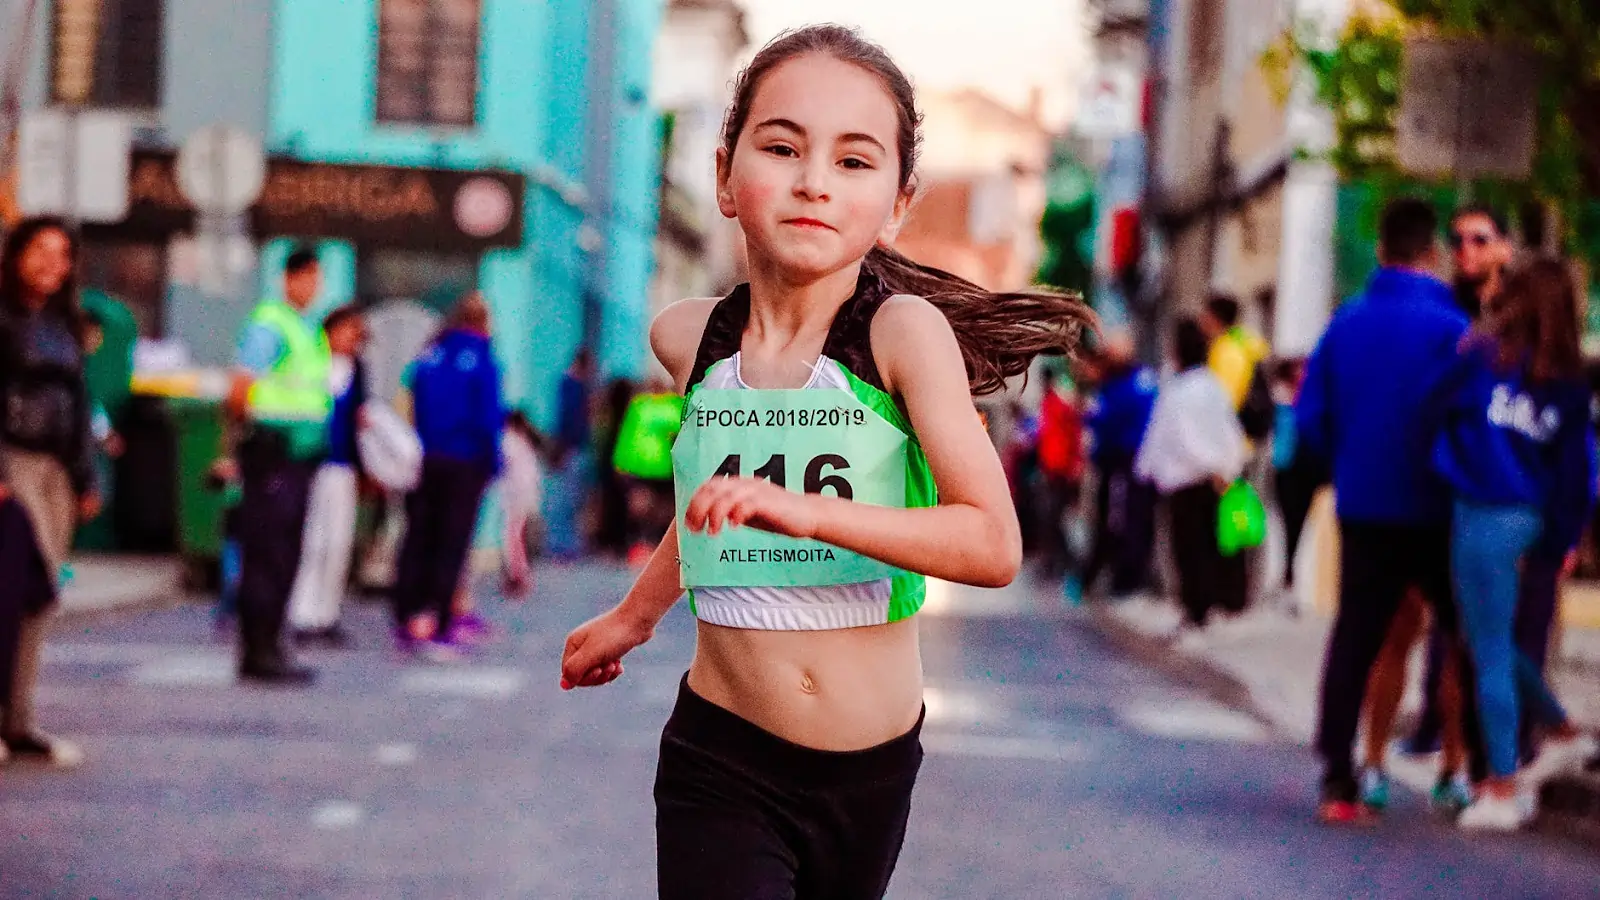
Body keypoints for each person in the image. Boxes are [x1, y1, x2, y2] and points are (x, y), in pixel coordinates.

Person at [557, 25, 1091, 899]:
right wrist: (635, 616)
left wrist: (809, 512)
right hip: (720, 755)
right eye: (781, 148)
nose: (814, 181)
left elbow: (991, 544)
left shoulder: (902, 335)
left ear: (897, 201)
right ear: (725, 175)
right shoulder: (690, 339)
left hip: (868, 775)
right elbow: (710, 504)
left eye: (853, 161)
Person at [1296, 197, 1487, 825]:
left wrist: (1348, 461)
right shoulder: (1454, 328)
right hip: (1438, 505)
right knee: (1463, 636)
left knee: (1357, 636)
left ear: (1380, 250)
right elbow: (1473, 415)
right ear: (1431, 253)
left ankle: (1339, 775)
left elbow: (1311, 419)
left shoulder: (1344, 324)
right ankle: (1468, 772)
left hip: (1365, 504)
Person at [1430, 258, 1598, 830]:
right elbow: (1574, 472)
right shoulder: (1569, 381)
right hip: (1529, 515)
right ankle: (1562, 730)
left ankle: (1501, 786)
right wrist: (1558, 541)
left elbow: (1432, 405)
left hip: (1479, 509)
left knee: (1489, 652)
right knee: (1490, 639)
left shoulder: (1480, 356)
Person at [0, 216, 95, 765]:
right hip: (13, 460)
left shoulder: (64, 324)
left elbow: (80, 403)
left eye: (62, 254)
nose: (51, 264)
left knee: (42, 594)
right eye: (40, 250)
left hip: (58, 469)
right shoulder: (4, 319)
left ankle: (19, 719)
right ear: (16, 254)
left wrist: (85, 477)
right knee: (11, 588)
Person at [227, 246, 333, 685]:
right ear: (290, 278)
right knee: (267, 554)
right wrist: (240, 443)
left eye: (318, 279)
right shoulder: (271, 324)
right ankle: (257, 650)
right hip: (272, 451)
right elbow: (240, 387)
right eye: (309, 277)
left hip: (299, 454)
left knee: (286, 553)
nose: (314, 287)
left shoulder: (306, 327)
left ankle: (272, 644)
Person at [393, 293, 505, 661]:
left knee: (418, 537)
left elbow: (410, 401)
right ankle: (437, 621)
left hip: (427, 459)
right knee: (451, 543)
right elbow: (488, 416)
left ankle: (408, 614)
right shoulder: (482, 358)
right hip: (465, 461)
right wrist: (493, 463)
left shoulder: (430, 354)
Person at [1134, 318, 1248, 639]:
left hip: (1185, 481)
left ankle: (1196, 611)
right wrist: (1226, 469)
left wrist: (1145, 470)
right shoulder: (1213, 386)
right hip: (1214, 481)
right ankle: (1207, 608)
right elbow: (1230, 433)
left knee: (1188, 550)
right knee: (1210, 546)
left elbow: (1174, 437)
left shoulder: (1179, 391)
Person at [288, 305, 369, 647]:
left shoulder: (358, 370)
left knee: (338, 543)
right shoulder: (313, 364)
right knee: (313, 541)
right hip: (314, 463)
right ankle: (302, 613)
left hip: (343, 464)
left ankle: (327, 613)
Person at [1081, 330, 1158, 598]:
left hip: (1126, 461)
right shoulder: (1129, 383)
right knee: (1122, 520)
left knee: (1124, 520)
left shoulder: (1127, 386)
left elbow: (1107, 420)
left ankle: (1126, 579)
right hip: (1122, 461)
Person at [1268, 357, 1323, 605]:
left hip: (1306, 470)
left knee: (1299, 527)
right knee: (1286, 524)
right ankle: (1285, 578)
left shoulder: (1311, 402)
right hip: (1286, 468)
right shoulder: (1282, 401)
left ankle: (1291, 579)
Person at [1034, 366, 1086, 584]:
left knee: (1056, 517)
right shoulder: (1047, 404)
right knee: (1050, 517)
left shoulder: (1061, 405)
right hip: (1051, 470)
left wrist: (1075, 464)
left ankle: (1063, 562)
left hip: (1062, 471)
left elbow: (1073, 434)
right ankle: (1053, 561)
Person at [546, 348, 595, 560]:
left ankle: (563, 544)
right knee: (566, 499)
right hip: (571, 447)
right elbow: (568, 419)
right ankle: (561, 544)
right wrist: (562, 447)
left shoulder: (574, 386)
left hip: (573, 447)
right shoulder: (572, 386)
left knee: (569, 498)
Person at [501, 410, 545, 596]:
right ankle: (519, 574)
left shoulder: (510, 441)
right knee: (518, 536)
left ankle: (518, 575)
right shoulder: (525, 442)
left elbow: (502, 463)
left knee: (513, 537)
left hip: (517, 496)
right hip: (527, 495)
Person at [1449, 206, 1513, 320]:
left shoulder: (1522, 309)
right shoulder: (1441, 307)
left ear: (1504, 249)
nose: (1466, 248)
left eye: (1480, 240)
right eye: (1457, 240)